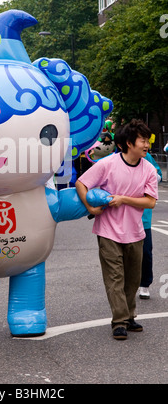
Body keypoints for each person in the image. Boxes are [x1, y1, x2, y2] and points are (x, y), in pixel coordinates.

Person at [75, 119, 158, 340]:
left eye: (147, 140)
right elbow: (82, 183)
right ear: (129, 143)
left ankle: (129, 316)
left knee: (132, 279)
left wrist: (124, 199)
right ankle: (119, 321)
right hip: (108, 231)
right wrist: (90, 206)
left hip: (136, 232)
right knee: (114, 277)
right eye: (143, 140)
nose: (146, 144)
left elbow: (150, 202)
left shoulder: (148, 169)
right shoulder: (108, 164)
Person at [138, 152, 162, 299]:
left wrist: (152, 177)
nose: (145, 145)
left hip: (143, 216)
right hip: (123, 218)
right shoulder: (117, 158)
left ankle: (144, 284)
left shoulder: (146, 157)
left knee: (146, 252)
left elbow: (158, 174)